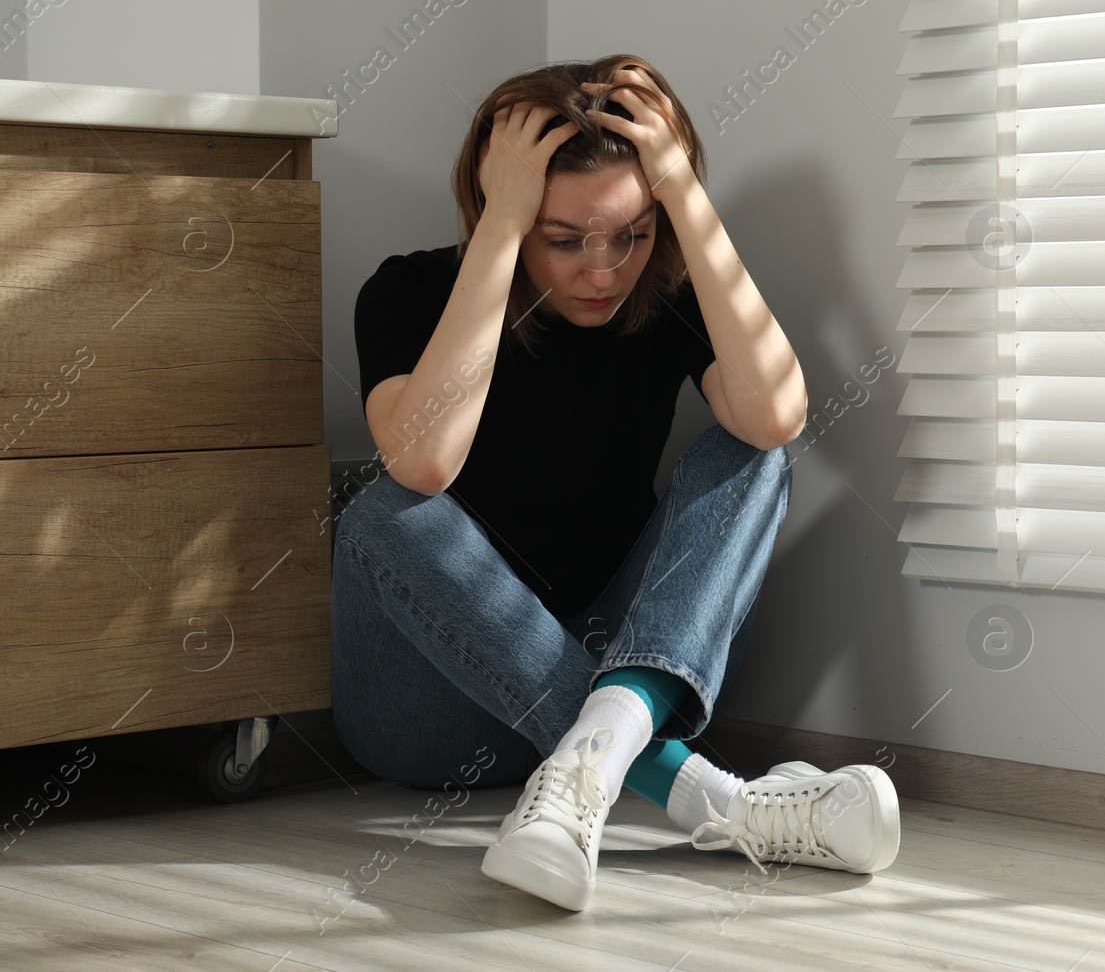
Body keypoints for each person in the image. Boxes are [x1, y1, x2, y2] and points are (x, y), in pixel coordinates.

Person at [331, 54, 899, 913]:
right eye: (564, 239)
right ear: (509, 210)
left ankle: (592, 759)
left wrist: (684, 193)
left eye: (630, 234)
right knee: (383, 508)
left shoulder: (661, 301)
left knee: (753, 453)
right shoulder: (408, 289)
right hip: (433, 714)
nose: (603, 271)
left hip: (625, 676)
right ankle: (717, 801)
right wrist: (500, 228)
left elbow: (778, 414)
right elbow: (425, 461)